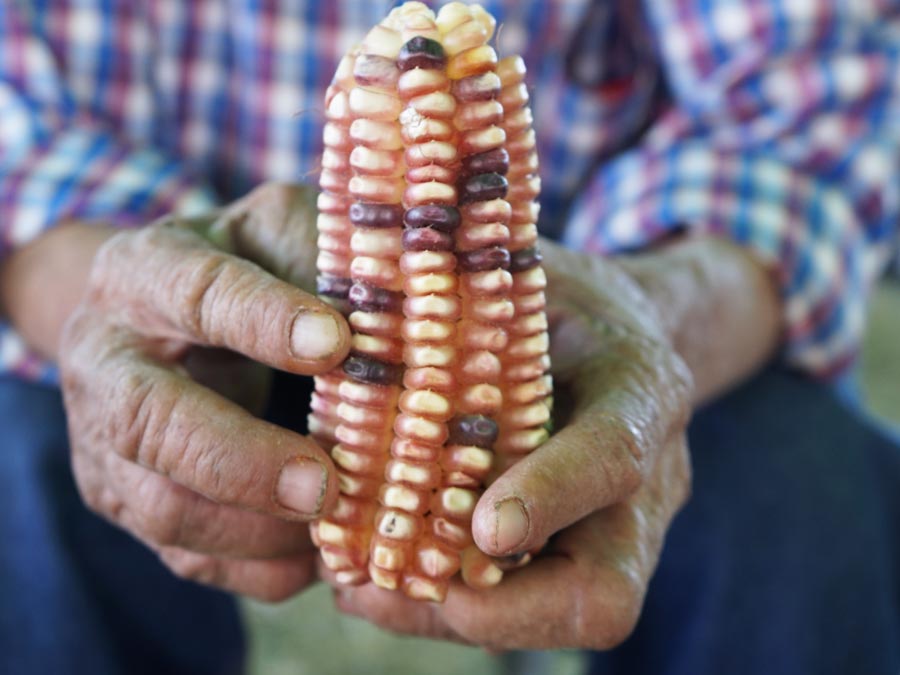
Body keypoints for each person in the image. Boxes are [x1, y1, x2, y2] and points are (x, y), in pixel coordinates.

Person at [1, 1, 898, 674]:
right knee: (25, 474)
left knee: (803, 481)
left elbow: (806, 94)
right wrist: (117, 298)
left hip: (593, 308)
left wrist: (657, 308)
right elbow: (22, 131)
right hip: (176, 275)